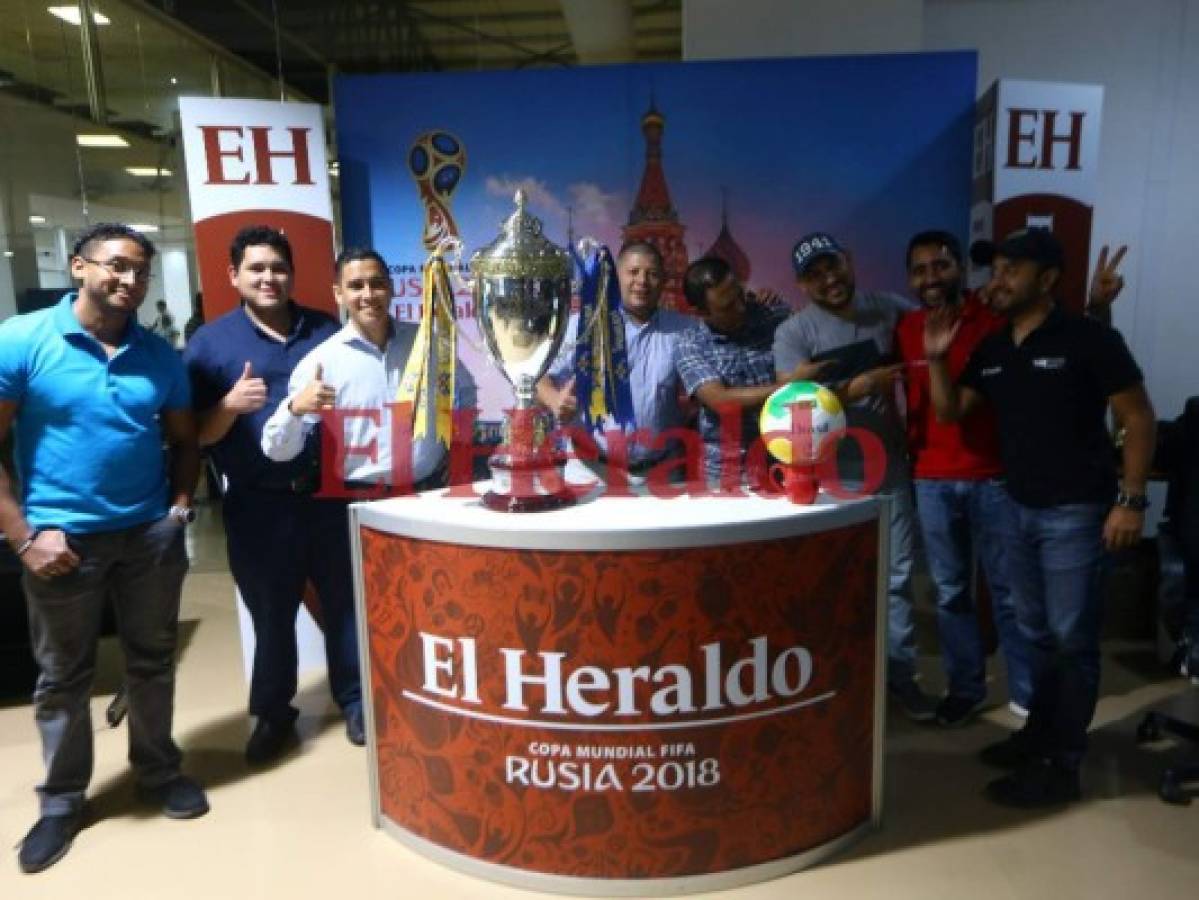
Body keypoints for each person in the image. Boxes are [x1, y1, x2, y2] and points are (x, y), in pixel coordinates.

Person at [0, 222, 207, 874]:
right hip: (61, 542)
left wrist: (177, 508)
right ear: (79, 267)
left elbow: (184, 439)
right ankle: (61, 802)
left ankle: (157, 769)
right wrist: (24, 537)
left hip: (148, 536)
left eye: (141, 271)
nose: (131, 281)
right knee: (64, 677)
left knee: (152, 660)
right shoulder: (21, 341)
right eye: (117, 267)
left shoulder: (157, 354)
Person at [924, 227, 1155, 806]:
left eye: (1010, 270)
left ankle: (1063, 763)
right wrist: (934, 360)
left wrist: (1131, 500)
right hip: (1016, 509)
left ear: (1047, 279)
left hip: (1076, 514)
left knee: (1071, 639)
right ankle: (1038, 737)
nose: (996, 281)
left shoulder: (1087, 338)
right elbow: (952, 413)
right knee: (1032, 633)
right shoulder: (996, 347)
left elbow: (1139, 417)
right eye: (995, 269)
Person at [896, 230, 1129, 727]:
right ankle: (970, 690)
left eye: (941, 265)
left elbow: (1077, 356)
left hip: (1002, 481)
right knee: (955, 592)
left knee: (1021, 604)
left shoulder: (992, 319)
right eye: (919, 270)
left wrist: (1096, 307)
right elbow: (947, 407)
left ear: (960, 268)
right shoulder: (913, 327)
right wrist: (934, 358)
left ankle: (1032, 705)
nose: (931, 277)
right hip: (936, 479)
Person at [183, 225, 362, 762]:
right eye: (256, 269)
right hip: (259, 504)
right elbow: (194, 434)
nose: (269, 278)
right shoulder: (211, 345)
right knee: (271, 613)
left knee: (347, 606)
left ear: (292, 274)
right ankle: (272, 713)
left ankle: (355, 701)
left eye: (278, 268)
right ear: (233, 276)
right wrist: (229, 406)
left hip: (333, 497)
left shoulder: (327, 330)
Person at [771, 232, 934, 720]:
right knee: (829, 583)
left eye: (834, 267)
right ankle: (832, 684)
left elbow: (939, 326)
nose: (829, 279)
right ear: (802, 284)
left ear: (849, 261)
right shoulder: (794, 333)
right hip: (825, 480)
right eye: (815, 275)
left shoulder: (888, 308)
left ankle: (899, 678)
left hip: (888, 467)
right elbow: (786, 405)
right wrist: (850, 387)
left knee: (898, 578)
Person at [261, 247, 476, 492]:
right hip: (362, 498)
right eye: (356, 286)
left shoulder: (428, 343)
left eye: (377, 284)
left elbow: (466, 391)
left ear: (391, 288)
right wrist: (296, 409)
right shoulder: (320, 363)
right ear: (338, 294)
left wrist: (460, 443)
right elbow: (277, 451)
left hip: (432, 490)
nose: (369, 294)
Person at [537, 241, 694, 481]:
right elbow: (537, 375)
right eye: (633, 272)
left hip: (661, 472)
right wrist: (554, 399)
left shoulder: (684, 330)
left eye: (652, 274)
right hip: (591, 471)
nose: (642, 281)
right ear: (615, 277)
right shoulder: (583, 326)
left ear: (663, 281)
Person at [675, 256, 823, 483]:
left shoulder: (772, 314)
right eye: (728, 306)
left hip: (785, 460)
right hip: (727, 471)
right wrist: (790, 385)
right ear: (700, 313)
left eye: (740, 294)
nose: (741, 307)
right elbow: (720, 400)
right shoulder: (690, 343)